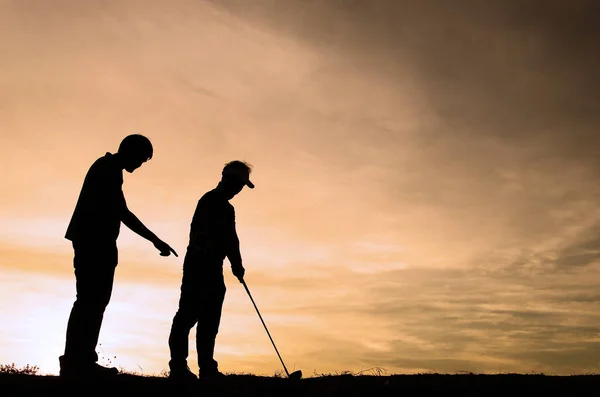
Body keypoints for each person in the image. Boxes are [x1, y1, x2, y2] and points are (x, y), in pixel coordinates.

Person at [59, 134, 178, 379]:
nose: (141, 165)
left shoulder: (109, 168)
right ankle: (77, 363)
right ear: (131, 152)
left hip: (94, 242)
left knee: (92, 302)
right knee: (90, 302)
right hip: (95, 243)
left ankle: (79, 361)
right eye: (142, 160)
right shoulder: (108, 169)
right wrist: (155, 239)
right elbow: (122, 211)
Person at [167, 160, 254, 381]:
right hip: (199, 265)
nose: (240, 189)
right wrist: (232, 261)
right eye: (239, 184)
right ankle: (178, 367)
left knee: (209, 320)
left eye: (243, 186)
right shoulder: (210, 201)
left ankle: (207, 368)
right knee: (187, 316)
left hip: (214, 267)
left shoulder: (227, 208)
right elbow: (214, 237)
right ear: (228, 180)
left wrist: (236, 264)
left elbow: (231, 239)